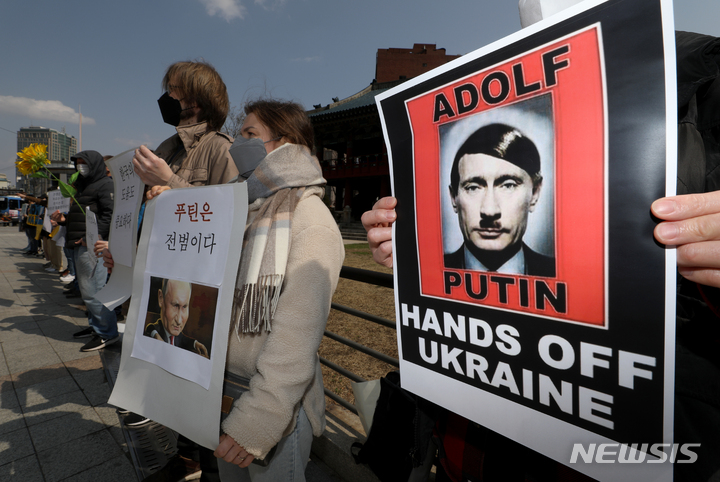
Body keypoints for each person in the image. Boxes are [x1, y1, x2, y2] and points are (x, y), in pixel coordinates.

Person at [105, 99, 344, 482]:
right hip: (218, 391)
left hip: (269, 406)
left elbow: (297, 339)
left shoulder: (310, 220)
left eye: (251, 135)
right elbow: (192, 274)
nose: (239, 144)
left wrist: (259, 420)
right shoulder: (236, 206)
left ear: (287, 142)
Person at [444, 123, 554, 276]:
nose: (489, 211)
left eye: (508, 186)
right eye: (473, 187)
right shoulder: (422, 273)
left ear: (534, 193)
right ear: (454, 198)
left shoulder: (562, 274)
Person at [132, 60, 239, 189]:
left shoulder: (223, 149)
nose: (168, 95)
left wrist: (168, 181)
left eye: (173, 89)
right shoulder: (167, 148)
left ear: (197, 99)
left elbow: (228, 206)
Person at [51, 150, 118, 352]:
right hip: (79, 243)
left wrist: (96, 237)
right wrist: (65, 220)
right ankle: (96, 327)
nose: (81, 167)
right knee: (87, 291)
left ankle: (107, 334)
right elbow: (82, 215)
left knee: (94, 292)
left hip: (92, 247)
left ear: (95, 164)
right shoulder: (82, 186)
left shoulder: (105, 185)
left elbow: (110, 214)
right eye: (78, 163)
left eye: (84, 163)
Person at [144, 278, 209, 358]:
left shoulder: (178, 336)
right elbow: (150, 327)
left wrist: (195, 343)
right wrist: (156, 335)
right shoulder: (156, 330)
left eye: (184, 307)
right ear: (161, 298)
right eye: (175, 306)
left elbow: (184, 339)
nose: (178, 321)